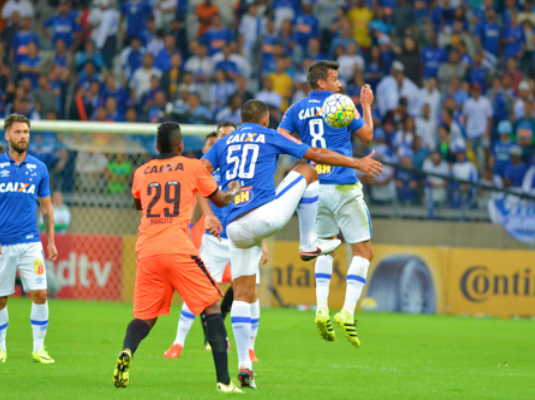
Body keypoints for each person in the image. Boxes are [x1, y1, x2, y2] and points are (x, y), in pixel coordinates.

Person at [201, 99, 382, 388]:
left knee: (243, 294)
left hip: (234, 226)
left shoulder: (225, 141)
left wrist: (209, 211)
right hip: (263, 216)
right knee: (308, 169)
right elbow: (317, 154)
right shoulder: (270, 135)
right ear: (264, 120)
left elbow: (200, 172)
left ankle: (244, 367)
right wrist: (356, 162)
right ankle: (308, 242)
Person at [112, 122, 242, 393]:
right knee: (212, 308)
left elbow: (139, 203)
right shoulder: (192, 166)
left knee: (145, 317)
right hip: (177, 247)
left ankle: (127, 350)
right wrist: (233, 192)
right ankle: (224, 382)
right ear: (180, 145)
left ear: (157, 147)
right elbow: (218, 200)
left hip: (147, 249)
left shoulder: (142, 171)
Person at [278, 60, 375, 345]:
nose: (339, 84)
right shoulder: (342, 103)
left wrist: (303, 154)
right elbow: (367, 136)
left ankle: (321, 307)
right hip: (343, 186)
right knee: (363, 251)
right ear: (322, 82)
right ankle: (346, 311)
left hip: (314, 189)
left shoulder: (295, 109)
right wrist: (366, 105)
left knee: (324, 246)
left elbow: (281, 137)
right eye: (334, 78)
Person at [164, 122, 266, 362]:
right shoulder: (207, 169)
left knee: (251, 293)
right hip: (215, 240)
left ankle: (250, 348)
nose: (223, 140)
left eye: (228, 136)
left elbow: (259, 206)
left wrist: (266, 244)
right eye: (220, 136)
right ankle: (178, 343)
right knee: (197, 290)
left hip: (243, 236)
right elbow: (192, 199)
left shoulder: (247, 166)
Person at [0, 114, 58, 364]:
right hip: (1, 243)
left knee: (41, 293)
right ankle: (0, 349)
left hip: (30, 242)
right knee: (0, 299)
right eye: (19, 132)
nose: (23, 136)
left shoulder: (39, 168)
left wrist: (50, 240)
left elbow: (47, 207)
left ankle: (39, 348)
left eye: (26, 132)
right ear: (7, 135)